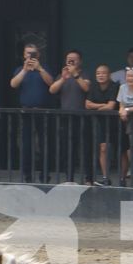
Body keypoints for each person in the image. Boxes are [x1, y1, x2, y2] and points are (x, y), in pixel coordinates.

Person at [10, 43, 54, 180]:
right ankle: (27, 174)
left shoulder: (45, 68)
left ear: (38, 55)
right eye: (28, 53)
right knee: (26, 144)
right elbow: (13, 84)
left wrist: (39, 69)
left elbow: (51, 83)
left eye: (33, 53)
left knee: (44, 144)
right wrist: (25, 70)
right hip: (26, 111)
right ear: (24, 55)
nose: (30, 56)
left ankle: (44, 174)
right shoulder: (19, 69)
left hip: (42, 111)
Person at [51, 52, 92, 180]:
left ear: (80, 61)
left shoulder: (85, 74)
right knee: (67, 149)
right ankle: (69, 177)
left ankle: (88, 178)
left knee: (85, 148)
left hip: (82, 117)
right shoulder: (61, 75)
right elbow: (52, 90)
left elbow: (86, 87)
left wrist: (75, 74)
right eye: (69, 59)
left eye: (73, 60)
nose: (70, 62)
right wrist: (63, 78)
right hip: (66, 117)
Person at [85, 64, 121, 185]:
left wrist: (97, 106)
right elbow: (87, 104)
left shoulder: (114, 86)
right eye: (98, 73)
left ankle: (122, 179)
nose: (100, 75)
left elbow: (111, 106)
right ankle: (106, 177)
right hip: (100, 122)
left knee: (121, 150)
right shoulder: (94, 87)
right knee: (103, 148)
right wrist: (102, 106)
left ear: (109, 75)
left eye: (103, 73)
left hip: (116, 122)